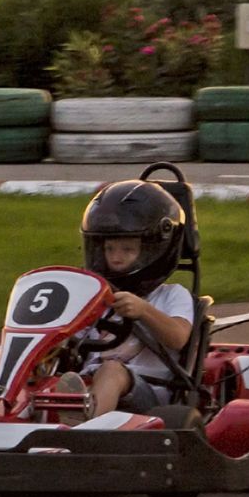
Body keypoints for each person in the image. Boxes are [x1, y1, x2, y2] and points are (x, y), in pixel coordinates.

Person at [56, 179, 196, 418]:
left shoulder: (172, 295)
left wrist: (144, 310)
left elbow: (179, 337)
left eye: (127, 250)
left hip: (147, 392)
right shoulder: (94, 299)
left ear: (154, 250)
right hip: (85, 382)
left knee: (112, 370)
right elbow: (68, 344)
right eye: (110, 249)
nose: (116, 258)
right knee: (34, 367)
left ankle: (84, 429)